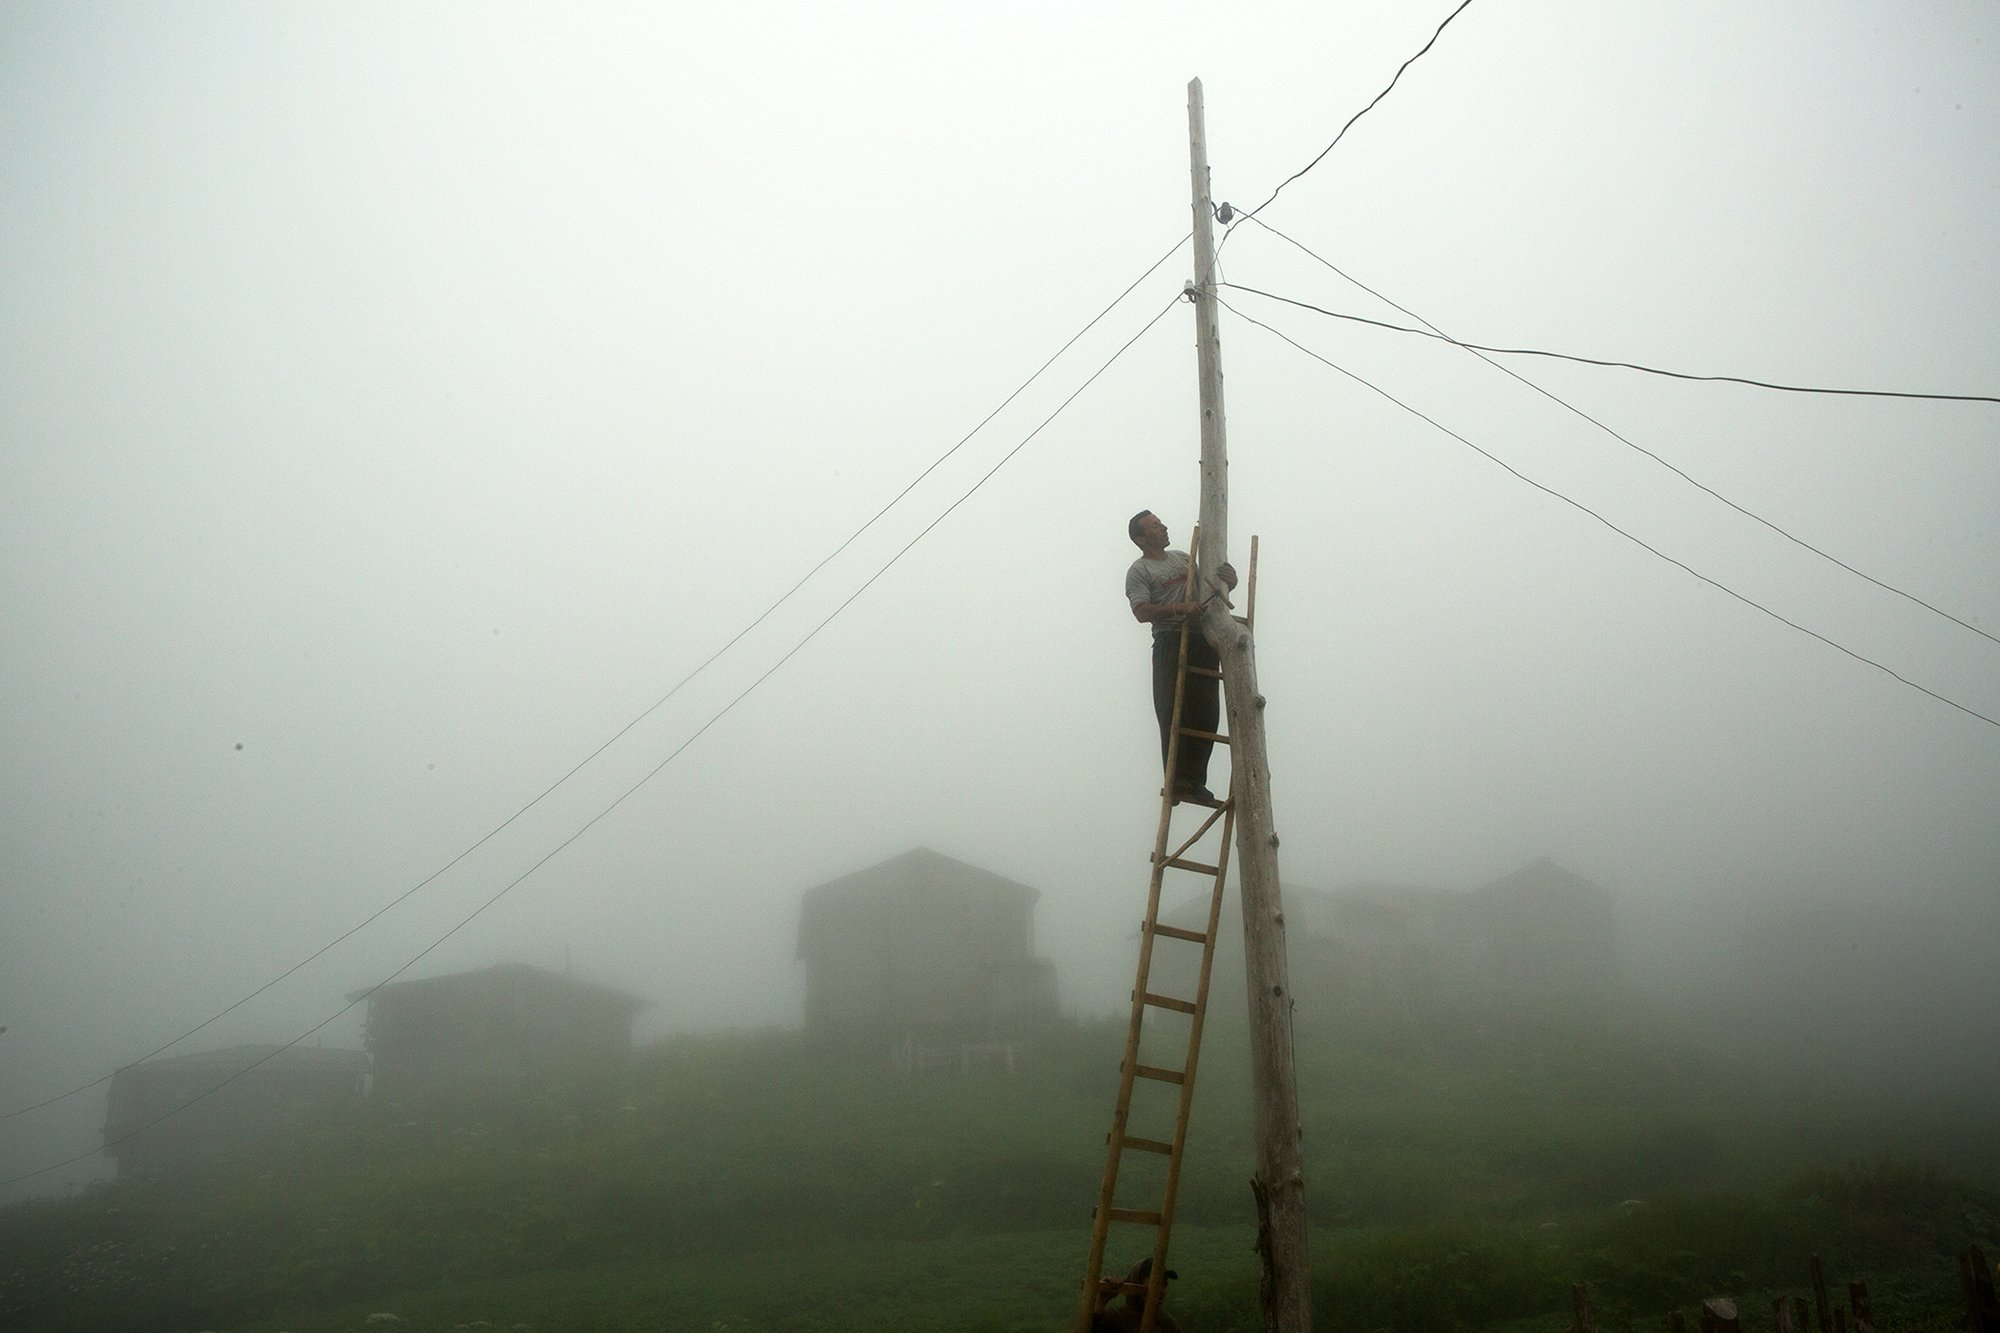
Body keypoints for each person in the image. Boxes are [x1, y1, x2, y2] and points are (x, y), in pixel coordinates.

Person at [1124, 509, 1235, 804]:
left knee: (1205, 712)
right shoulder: (1140, 571)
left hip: (1201, 638)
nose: (1163, 528)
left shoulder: (1183, 559)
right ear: (1141, 539)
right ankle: (1178, 780)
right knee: (1174, 710)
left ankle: (1196, 782)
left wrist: (1229, 582)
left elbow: (1208, 590)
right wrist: (1178, 609)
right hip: (1170, 639)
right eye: (1154, 526)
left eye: (1160, 523)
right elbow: (1141, 611)